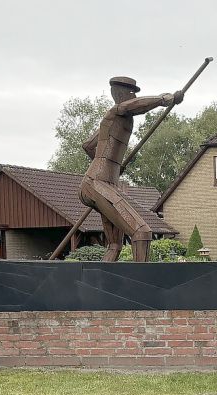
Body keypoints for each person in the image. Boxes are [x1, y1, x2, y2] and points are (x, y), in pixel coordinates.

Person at [79, 76, 183, 262]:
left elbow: (88, 146)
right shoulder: (117, 110)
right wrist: (164, 99)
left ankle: (102, 285)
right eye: (132, 92)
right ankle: (142, 286)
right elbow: (131, 106)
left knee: (114, 245)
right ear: (121, 93)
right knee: (141, 232)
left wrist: (112, 164)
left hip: (97, 182)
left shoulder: (108, 121)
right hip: (98, 183)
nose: (134, 95)